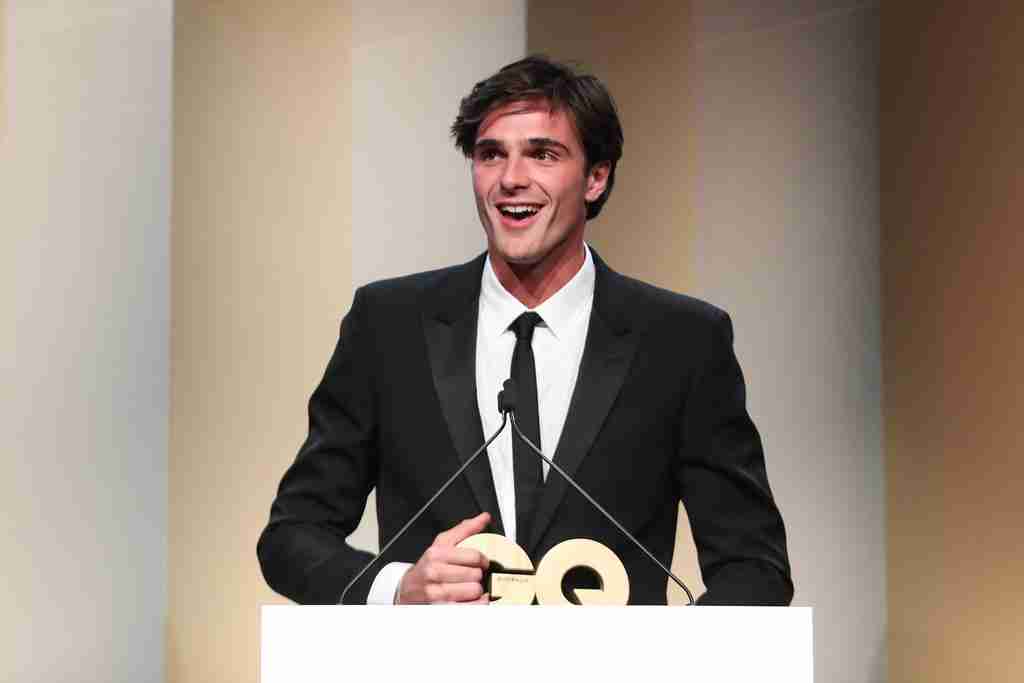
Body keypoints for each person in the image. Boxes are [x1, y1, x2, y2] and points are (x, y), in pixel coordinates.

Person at [257, 55, 792, 606]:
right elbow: (292, 537)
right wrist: (399, 589)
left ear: (596, 177)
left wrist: (666, 649)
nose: (511, 179)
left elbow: (754, 565)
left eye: (542, 154)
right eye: (491, 154)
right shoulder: (389, 326)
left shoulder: (682, 341)